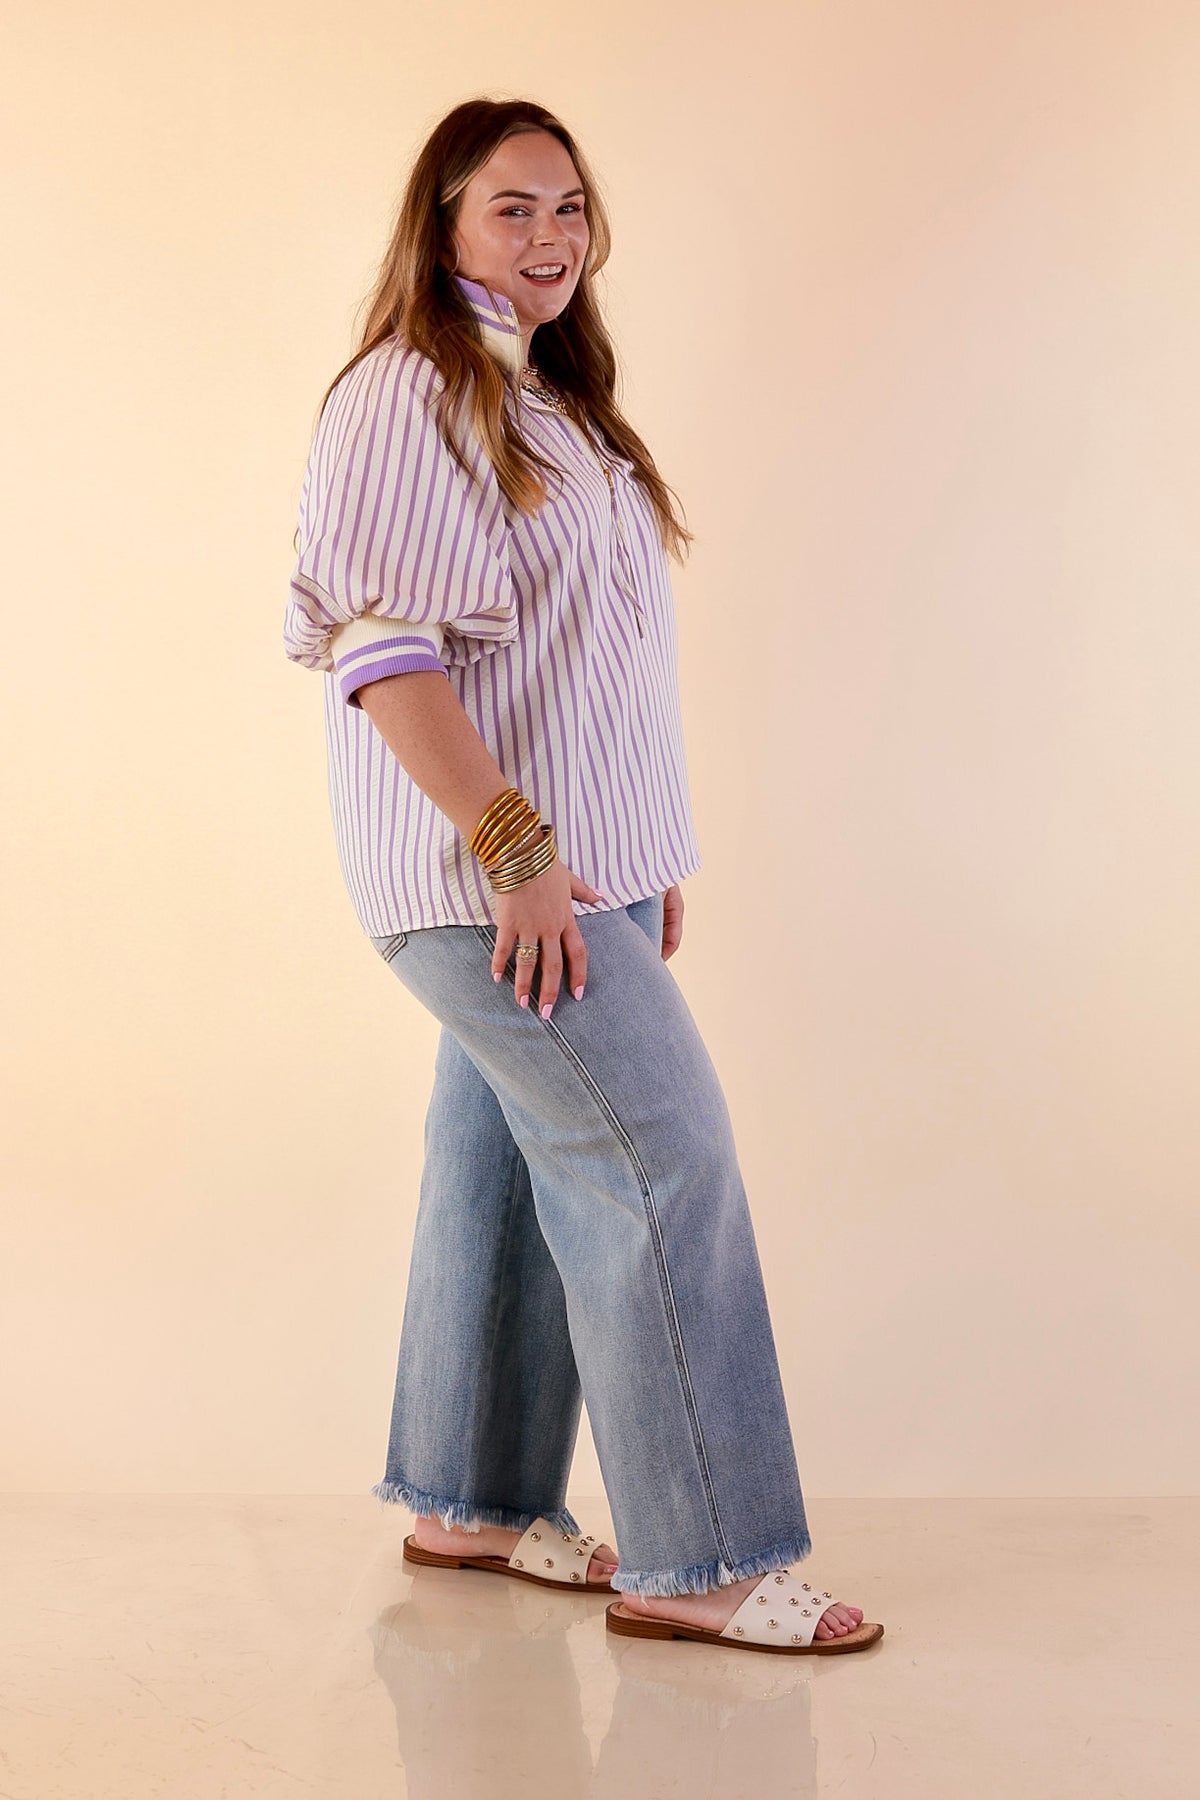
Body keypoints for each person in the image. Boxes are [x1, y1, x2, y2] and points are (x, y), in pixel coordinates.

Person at [283, 97, 879, 1655]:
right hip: (480, 875)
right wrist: (524, 855)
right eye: (512, 208)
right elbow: (388, 656)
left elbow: (589, 672)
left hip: (558, 877)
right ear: (442, 223)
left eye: (569, 208)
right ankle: (704, 1557)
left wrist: (633, 858)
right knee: (658, 1160)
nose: (550, 236)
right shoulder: (414, 388)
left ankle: (471, 1502)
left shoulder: (547, 401)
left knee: (500, 1163)